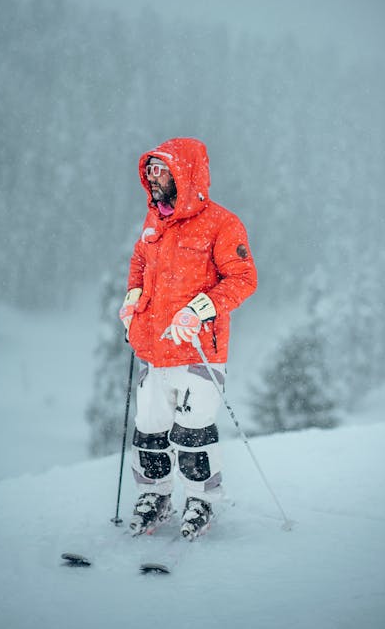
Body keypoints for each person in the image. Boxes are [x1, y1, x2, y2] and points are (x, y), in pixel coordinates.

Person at [119, 137, 257, 539]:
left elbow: (244, 279)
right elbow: (138, 263)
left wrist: (199, 311)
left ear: (185, 173)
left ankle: (201, 501)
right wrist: (131, 303)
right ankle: (155, 497)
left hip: (199, 351)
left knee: (193, 433)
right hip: (153, 348)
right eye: (150, 171)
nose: (152, 178)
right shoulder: (154, 223)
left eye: (161, 170)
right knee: (150, 430)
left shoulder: (222, 223)